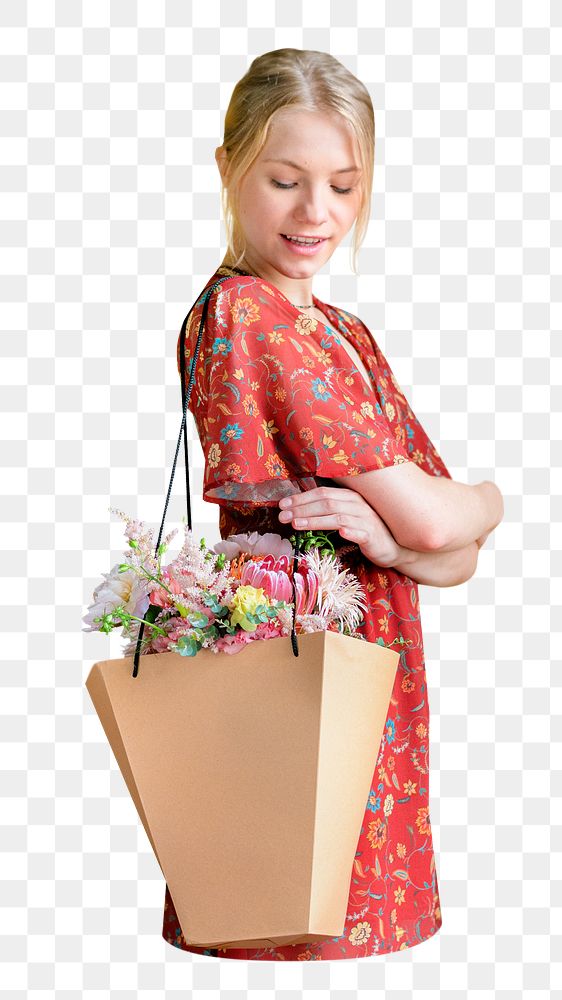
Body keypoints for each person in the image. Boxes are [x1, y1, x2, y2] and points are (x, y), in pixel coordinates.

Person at [162, 47, 504, 961]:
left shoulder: (347, 332)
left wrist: (402, 545)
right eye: (285, 180)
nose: (317, 213)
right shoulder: (246, 313)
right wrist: (484, 497)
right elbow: (444, 523)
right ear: (229, 167)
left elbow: (451, 558)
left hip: (375, 688)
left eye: (344, 186)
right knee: (291, 914)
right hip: (300, 676)